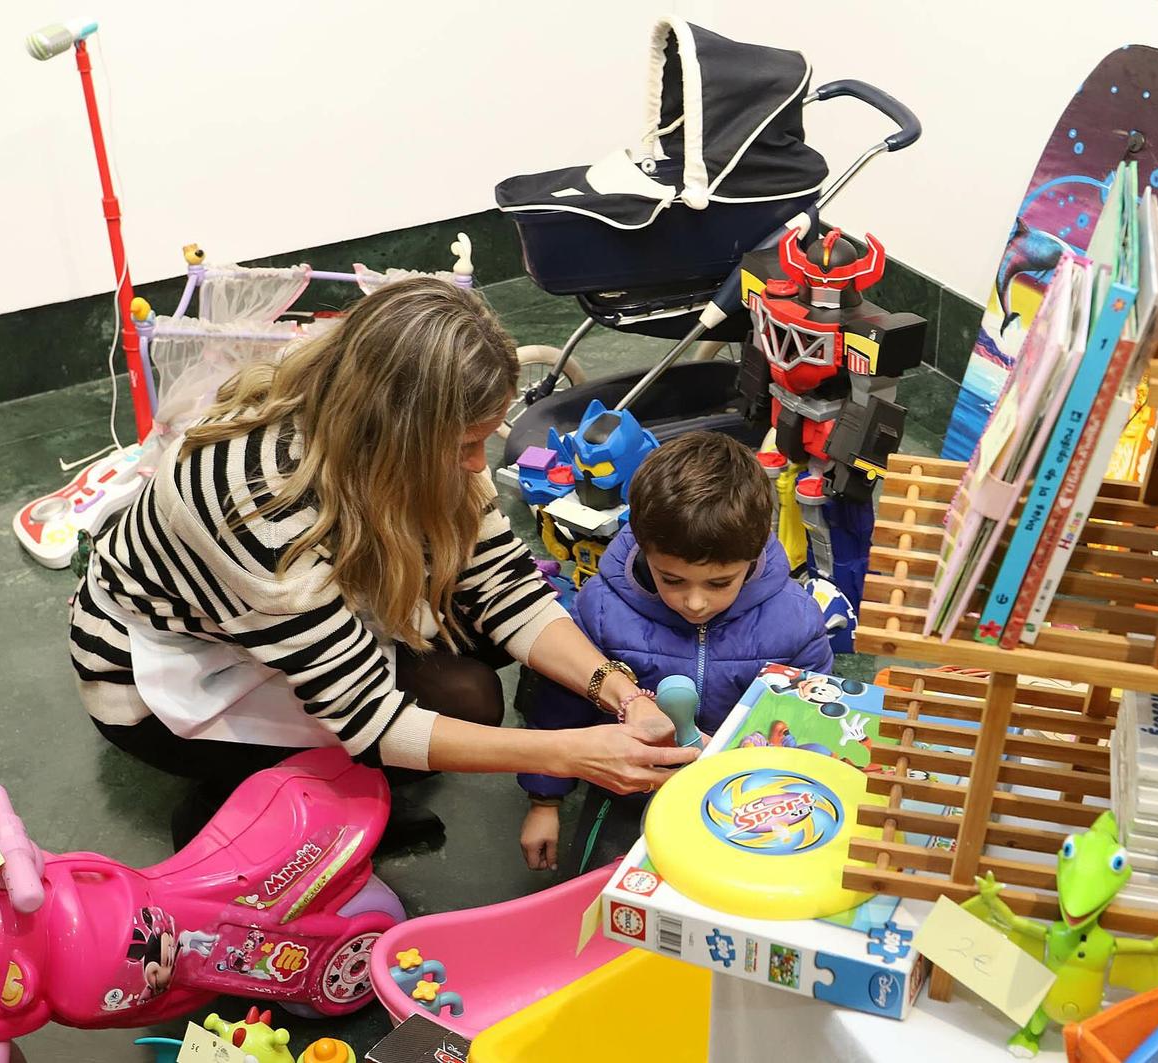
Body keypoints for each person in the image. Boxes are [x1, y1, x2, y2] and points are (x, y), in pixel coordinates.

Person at [68, 278, 696, 848]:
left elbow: (504, 586)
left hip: (288, 610)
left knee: (472, 680)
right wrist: (568, 755)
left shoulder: (367, 398)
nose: (481, 466)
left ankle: (326, 784)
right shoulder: (250, 498)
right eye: (465, 446)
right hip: (169, 677)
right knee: (455, 704)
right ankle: (233, 805)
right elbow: (367, 716)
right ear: (396, 434)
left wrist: (618, 691)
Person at [517, 432, 833, 874]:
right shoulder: (601, 607)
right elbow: (559, 706)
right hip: (626, 787)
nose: (696, 603)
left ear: (756, 549)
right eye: (673, 580)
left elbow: (806, 715)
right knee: (597, 890)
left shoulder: (796, 619)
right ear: (645, 548)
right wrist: (543, 799)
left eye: (719, 583)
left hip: (742, 795)